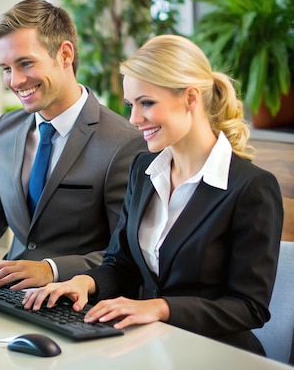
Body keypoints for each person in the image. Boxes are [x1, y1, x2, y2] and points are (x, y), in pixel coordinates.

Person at [22, 34, 284, 355]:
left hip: (216, 352)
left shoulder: (251, 188)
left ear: (190, 98)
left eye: (147, 103)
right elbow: (122, 264)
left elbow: (248, 307)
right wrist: (86, 282)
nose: (134, 119)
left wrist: (161, 308)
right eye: (132, 105)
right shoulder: (143, 169)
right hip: (147, 344)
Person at [0, 0, 146, 290]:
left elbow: (129, 255)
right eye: (6, 68)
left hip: (77, 304)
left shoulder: (124, 143)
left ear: (65, 55)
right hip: (6, 295)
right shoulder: (6, 129)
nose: (15, 80)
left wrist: (51, 270)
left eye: (25, 63)